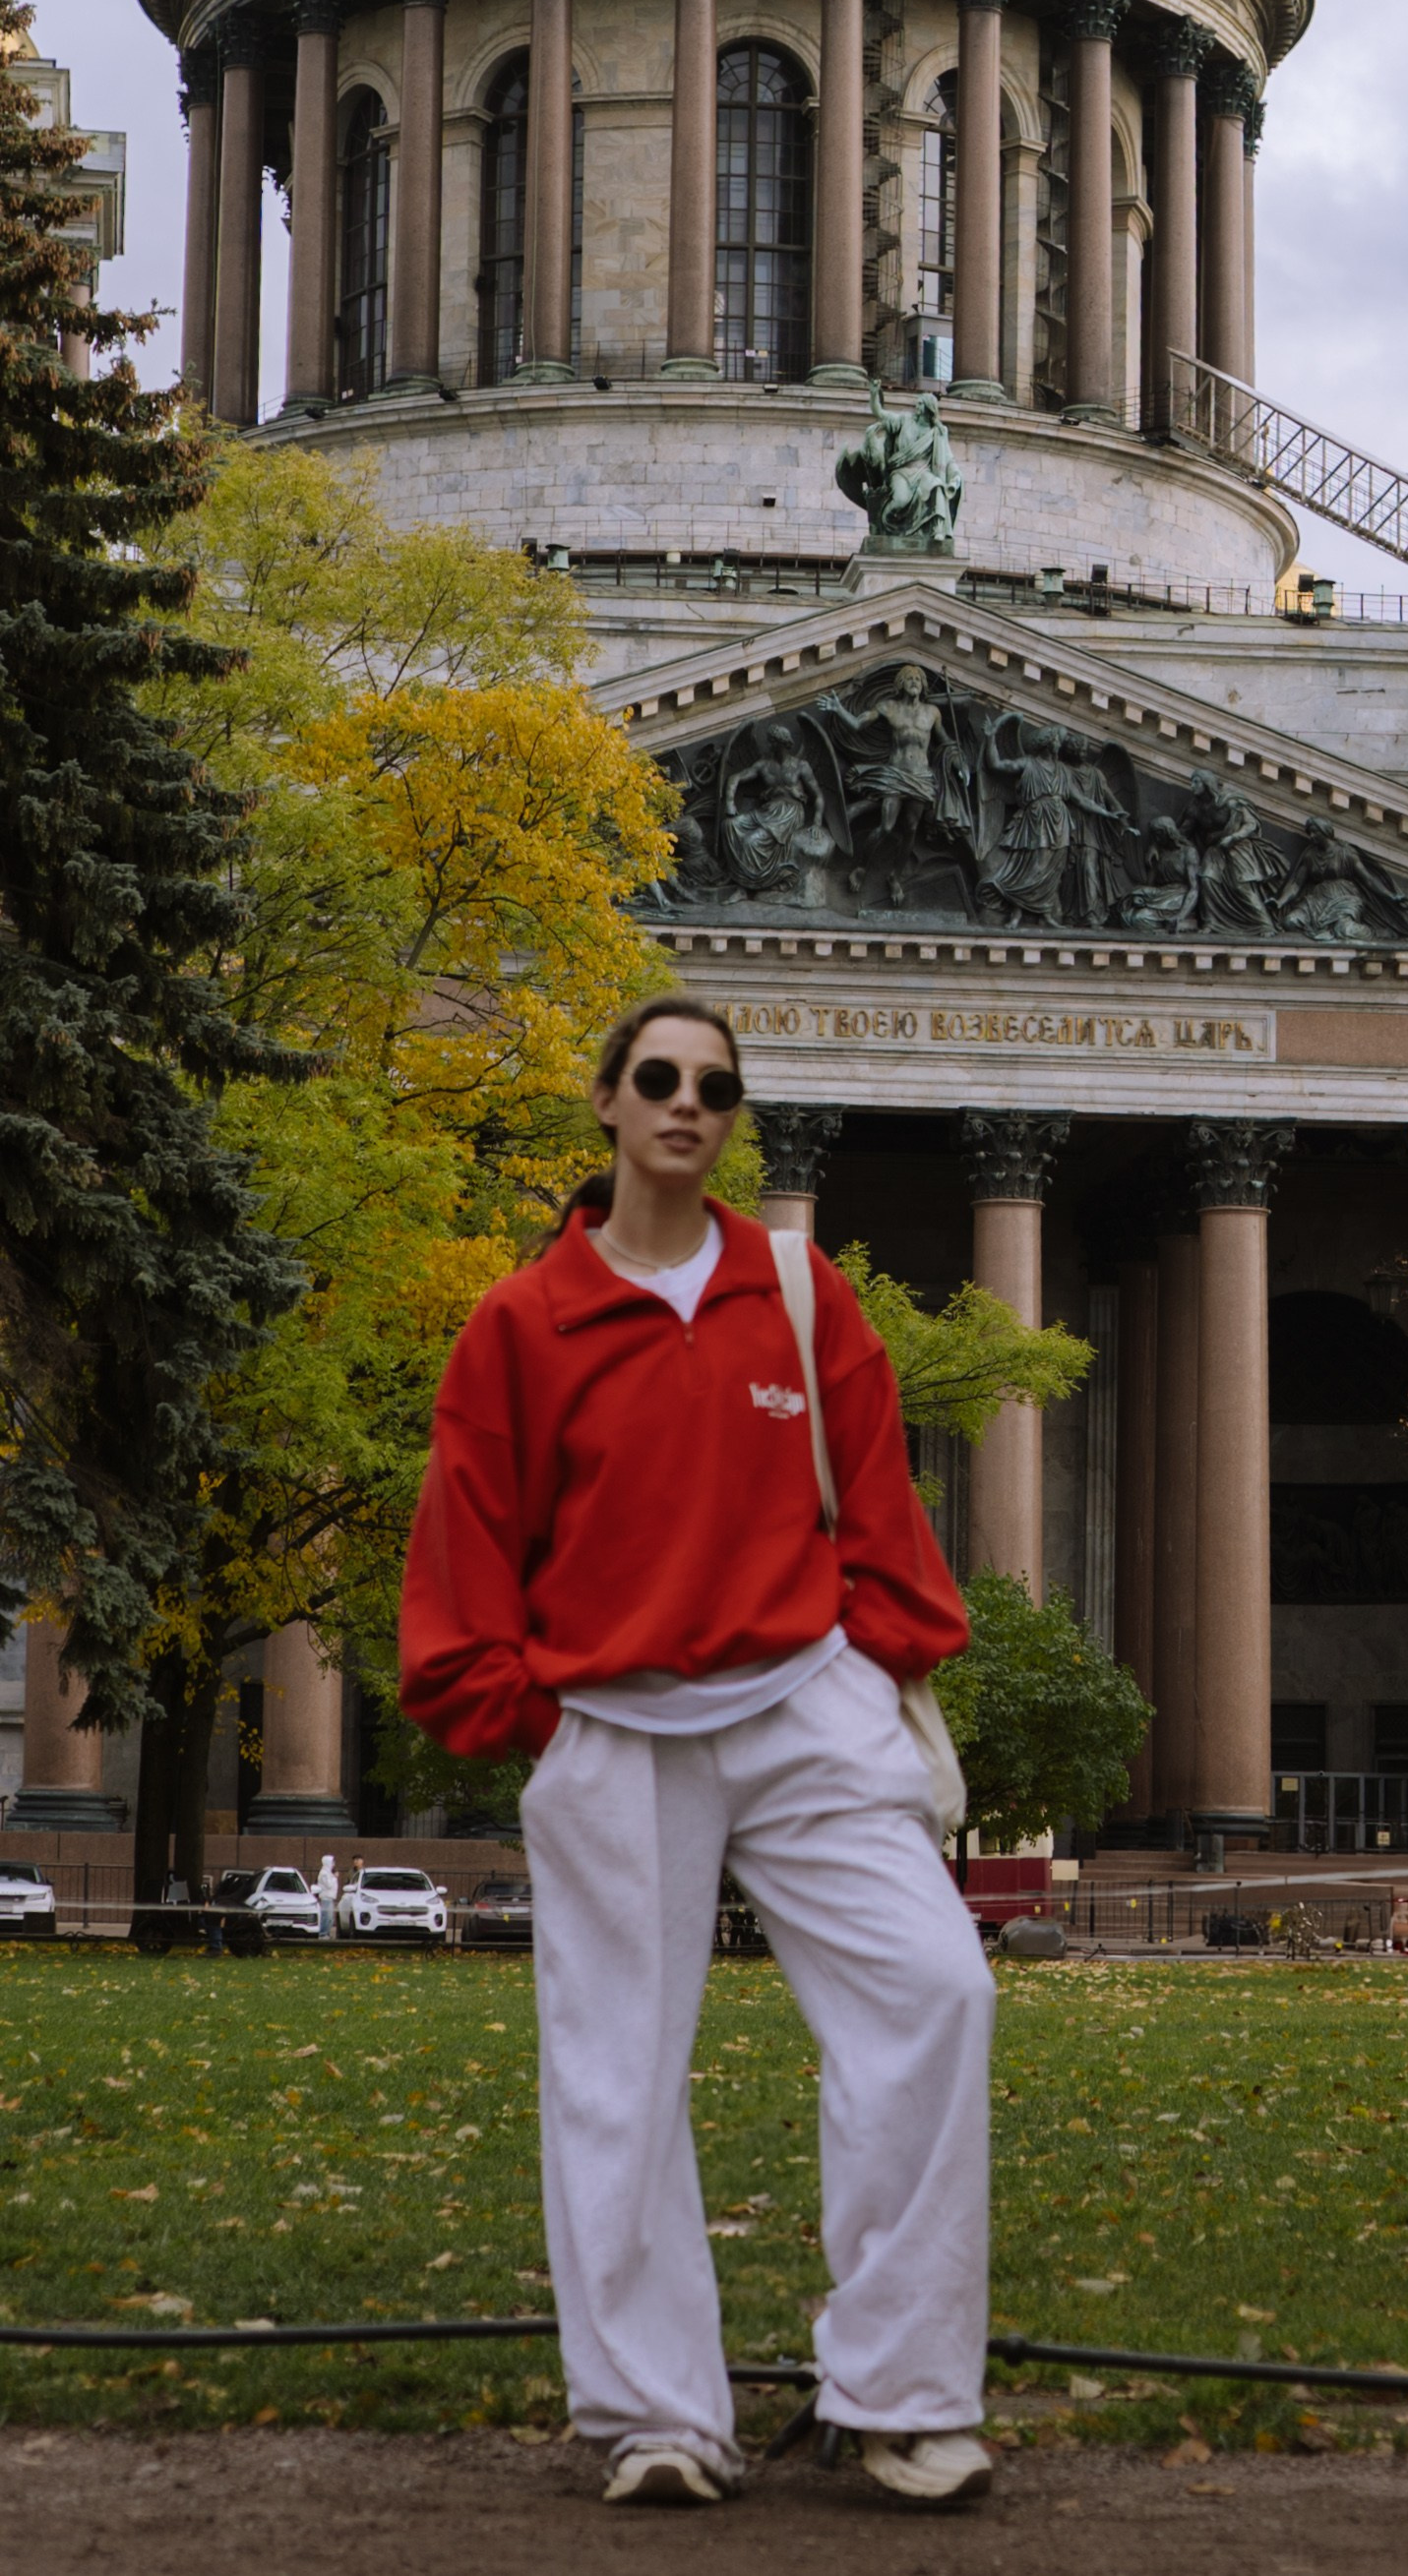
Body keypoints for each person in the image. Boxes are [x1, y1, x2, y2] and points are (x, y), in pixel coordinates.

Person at [398, 994, 994, 2511]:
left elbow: (875, 1505)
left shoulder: (797, 1293)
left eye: (714, 1088)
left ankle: (905, 2395)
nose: (685, 1104)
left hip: (805, 1709)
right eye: (657, 1079)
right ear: (604, 1104)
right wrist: (534, 1715)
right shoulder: (520, 1323)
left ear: (733, 1119)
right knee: (614, 2075)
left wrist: (867, 1665)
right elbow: (468, 1542)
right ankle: (655, 2415)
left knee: (935, 1993)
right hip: (612, 1729)